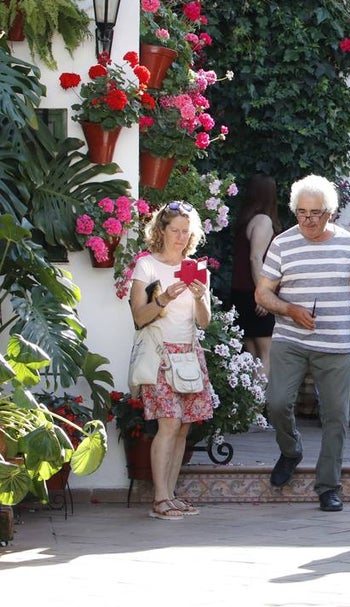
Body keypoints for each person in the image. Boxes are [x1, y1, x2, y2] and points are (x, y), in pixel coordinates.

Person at [255, 175, 350, 512]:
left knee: (337, 416)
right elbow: (262, 292)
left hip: (336, 343)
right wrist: (289, 309)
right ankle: (291, 450)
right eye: (301, 213)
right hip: (290, 340)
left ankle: (328, 485)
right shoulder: (282, 243)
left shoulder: (349, 245)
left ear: (331, 213)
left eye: (316, 213)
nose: (308, 220)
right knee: (277, 403)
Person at [129, 200, 214, 521]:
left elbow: (204, 322)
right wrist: (164, 298)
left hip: (189, 355)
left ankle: (171, 494)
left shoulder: (198, 269)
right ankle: (160, 498)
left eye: (185, 232)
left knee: (183, 428)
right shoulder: (147, 267)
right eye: (175, 230)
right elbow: (139, 317)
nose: (180, 237)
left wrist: (199, 296)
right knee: (169, 423)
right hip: (161, 353)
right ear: (161, 230)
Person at [231, 174, 280, 375]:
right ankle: (261, 405)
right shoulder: (263, 221)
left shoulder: (246, 221)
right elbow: (255, 258)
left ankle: (250, 404)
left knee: (251, 353)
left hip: (241, 292)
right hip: (255, 293)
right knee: (266, 354)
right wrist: (263, 294)